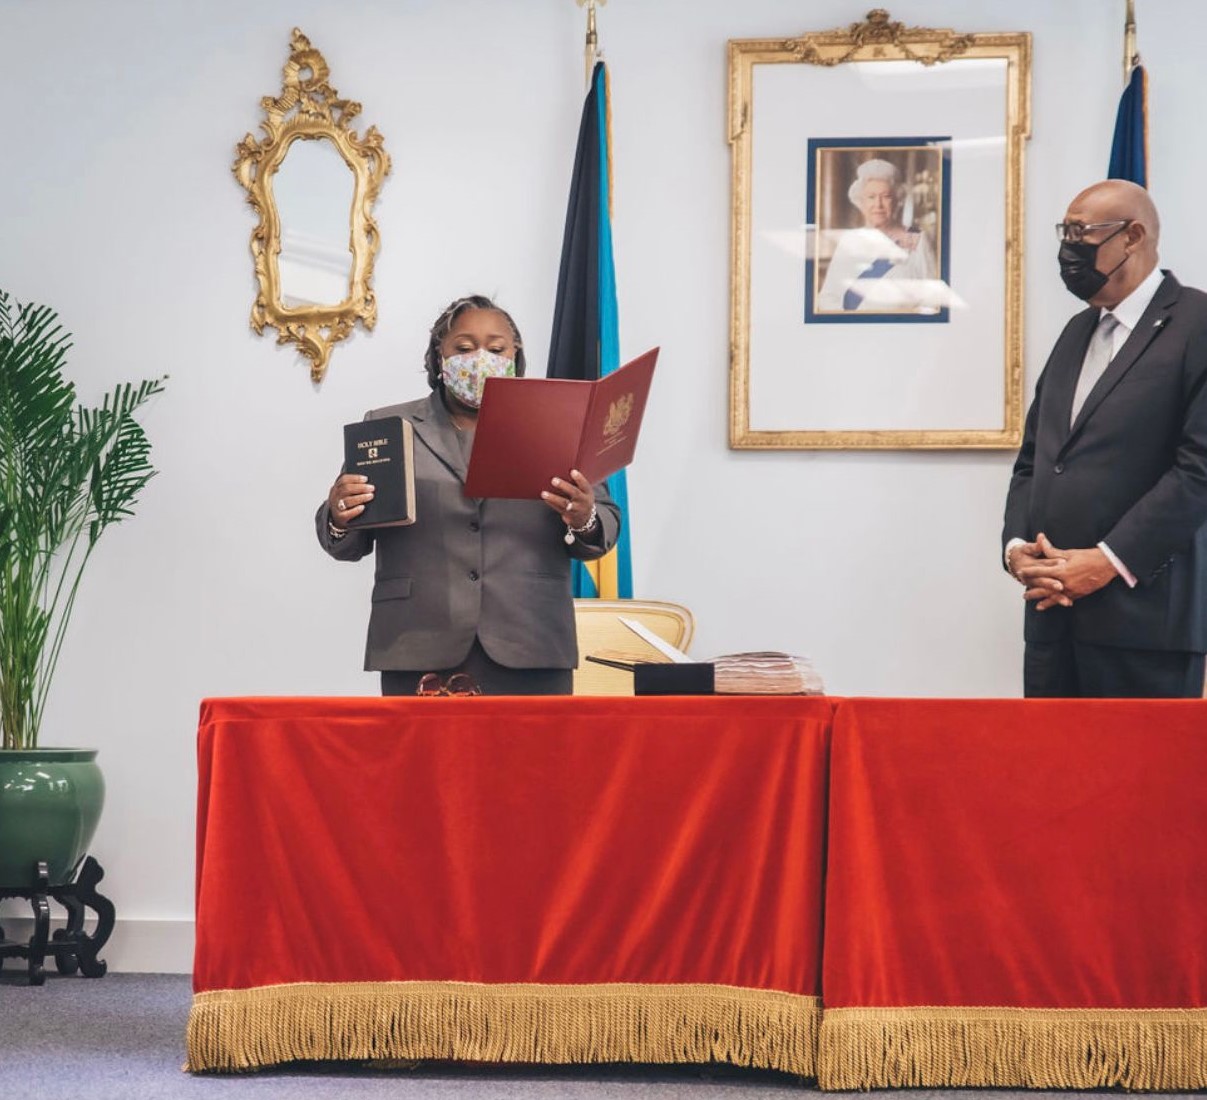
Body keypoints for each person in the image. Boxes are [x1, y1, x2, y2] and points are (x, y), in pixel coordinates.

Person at [316, 294, 621, 695]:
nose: (480, 357)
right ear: (439, 358)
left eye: (496, 349)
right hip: (417, 643)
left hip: (530, 641)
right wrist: (340, 516)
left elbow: (605, 524)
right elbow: (348, 542)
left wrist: (583, 516)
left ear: (515, 357)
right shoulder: (388, 426)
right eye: (463, 348)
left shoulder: (557, 423)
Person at [1002, 179, 1207, 698]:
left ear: (1133, 236)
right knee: (1050, 776)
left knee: (1139, 780)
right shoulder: (1077, 330)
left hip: (1145, 624)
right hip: (1052, 620)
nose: (1069, 249)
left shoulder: (1198, 323)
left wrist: (1109, 560)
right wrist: (1017, 548)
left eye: (1081, 233)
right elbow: (1036, 460)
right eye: (1064, 233)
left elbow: (1198, 470)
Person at [816, 158, 940, 313]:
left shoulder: (916, 238)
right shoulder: (849, 240)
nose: (878, 205)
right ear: (861, 202)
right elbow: (827, 297)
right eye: (871, 197)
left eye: (886, 196)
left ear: (897, 200)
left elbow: (932, 300)